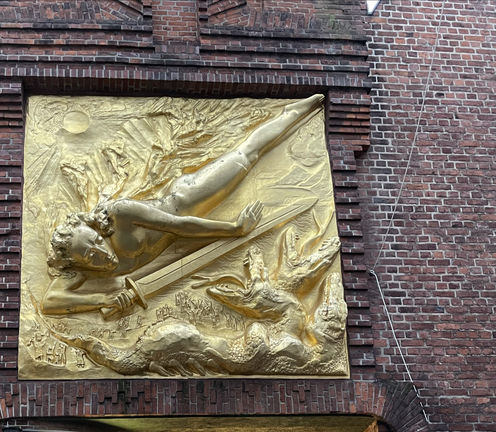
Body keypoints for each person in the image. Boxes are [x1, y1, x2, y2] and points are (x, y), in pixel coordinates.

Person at [42, 93, 324, 316]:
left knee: (245, 155)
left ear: (97, 229)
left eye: (95, 242)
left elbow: (177, 224)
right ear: (78, 262)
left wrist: (234, 229)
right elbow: (51, 302)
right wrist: (102, 299)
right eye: (90, 256)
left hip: (187, 203)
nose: (100, 254)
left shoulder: (120, 214)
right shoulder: (80, 268)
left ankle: (296, 111)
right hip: (182, 246)